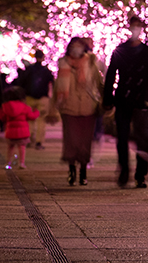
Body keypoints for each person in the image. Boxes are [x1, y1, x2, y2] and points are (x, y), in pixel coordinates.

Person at [103, 14, 148, 188]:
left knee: (142, 138)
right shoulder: (121, 50)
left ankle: (140, 173)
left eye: (138, 26)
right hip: (124, 96)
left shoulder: (147, 51)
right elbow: (111, 75)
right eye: (134, 26)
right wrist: (108, 99)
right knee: (123, 137)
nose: (135, 29)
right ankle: (124, 169)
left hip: (140, 98)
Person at [54, 37, 103, 186]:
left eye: (79, 46)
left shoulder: (91, 63)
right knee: (72, 141)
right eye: (73, 46)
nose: (76, 49)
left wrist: (105, 102)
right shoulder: (63, 63)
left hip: (88, 108)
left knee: (84, 142)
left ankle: (83, 171)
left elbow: (99, 83)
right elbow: (58, 86)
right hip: (69, 108)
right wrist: (54, 107)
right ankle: (71, 169)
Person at [16, 49, 55, 150]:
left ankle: (29, 139)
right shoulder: (46, 71)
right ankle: (39, 142)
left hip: (29, 97)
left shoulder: (29, 70)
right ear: (43, 58)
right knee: (41, 120)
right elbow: (52, 83)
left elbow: (21, 82)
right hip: (43, 98)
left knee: (30, 120)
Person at [0, 86, 39, 170]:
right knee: (22, 147)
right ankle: (21, 163)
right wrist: (36, 112)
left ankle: (8, 163)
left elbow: (2, 117)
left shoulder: (6, 107)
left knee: (10, 147)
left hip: (10, 132)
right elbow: (31, 116)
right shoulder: (25, 107)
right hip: (22, 132)